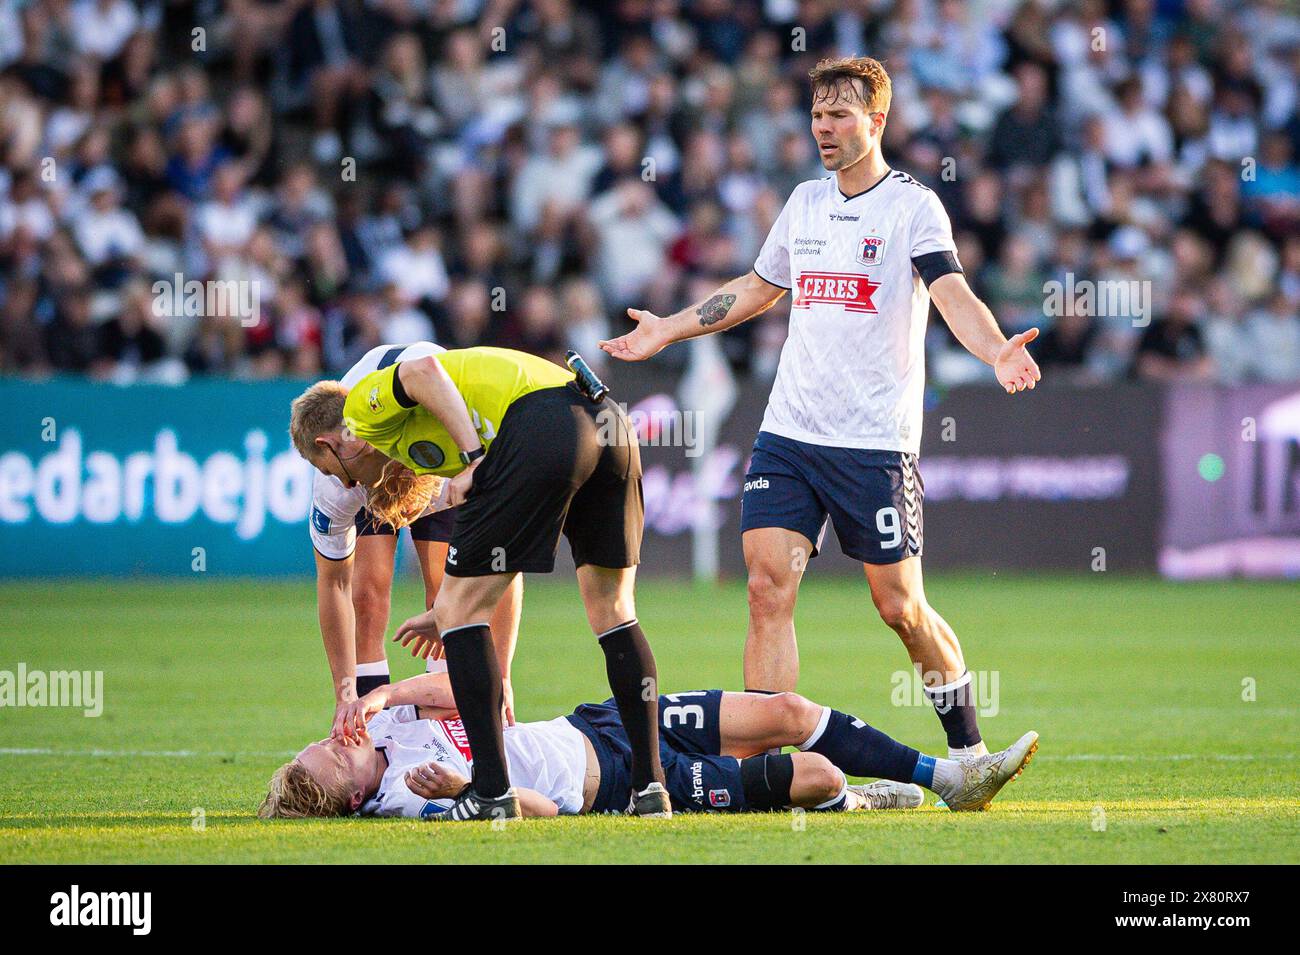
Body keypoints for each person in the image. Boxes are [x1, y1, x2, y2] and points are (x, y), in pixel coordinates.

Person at [601, 57, 1041, 758]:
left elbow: (952, 294)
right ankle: (768, 765)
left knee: (899, 606)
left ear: (878, 120)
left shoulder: (913, 207)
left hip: (874, 442)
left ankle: (968, 753)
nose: (824, 128)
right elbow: (753, 288)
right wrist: (668, 327)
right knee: (765, 589)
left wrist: (996, 351)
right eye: (816, 115)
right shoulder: (804, 203)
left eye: (839, 115)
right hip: (789, 434)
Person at [288, 346, 669, 820]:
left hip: (539, 423)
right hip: (604, 416)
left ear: (333, 444)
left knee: (461, 614)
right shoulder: (401, 453)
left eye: (333, 472)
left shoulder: (361, 410)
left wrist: (472, 458)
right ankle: (649, 788)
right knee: (614, 611)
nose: (345, 486)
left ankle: (490, 791)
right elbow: (496, 569)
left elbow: (423, 370)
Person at [258, 669, 1038, 819]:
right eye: (333, 754)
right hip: (622, 782)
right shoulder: (410, 796)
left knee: (788, 707)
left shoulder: (389, 729)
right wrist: (467, 788)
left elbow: (481, 686)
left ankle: (949, 776)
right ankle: (858, 795)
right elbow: (535, 810)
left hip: (598, 721)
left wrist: (384, 694)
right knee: (813, 773)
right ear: (355, 793)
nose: (334, 739)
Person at [293, 341, 522, 741]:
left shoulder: (453, 444)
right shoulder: (341, 485)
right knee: (367, 595)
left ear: (326, 446)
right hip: (376, 457)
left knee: (448, 594)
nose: (338, 481)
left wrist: (501, 675)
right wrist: (344, 694)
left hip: (440, 452)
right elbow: (334, 584)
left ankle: (454, 720)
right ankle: (369, 727)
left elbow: (502, 566)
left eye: (323, 467)